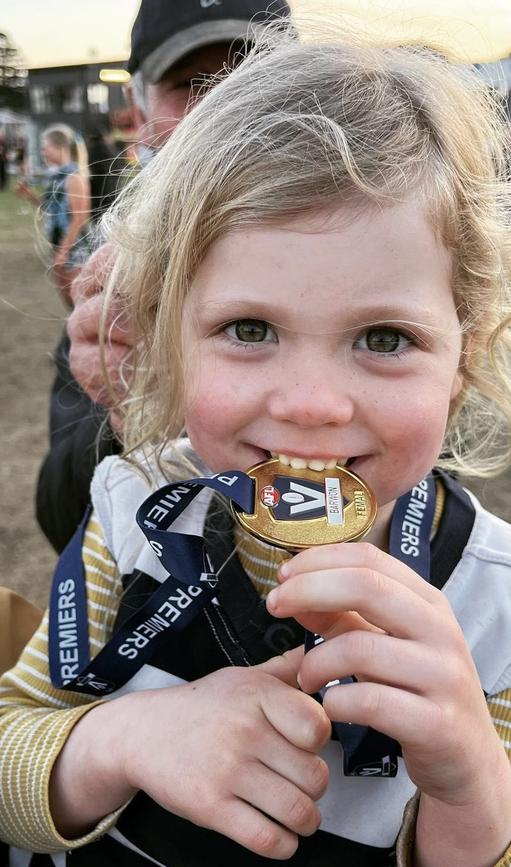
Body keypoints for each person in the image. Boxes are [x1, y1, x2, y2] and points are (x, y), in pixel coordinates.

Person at [0, 31, 511, 866]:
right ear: (173, 341)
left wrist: (471, 787)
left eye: (385, 337)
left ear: (464, 362)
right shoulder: (134, 512)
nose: (313, 406)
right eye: (249, 329)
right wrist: (116, 739)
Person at [35, 0, 291, 553]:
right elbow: (60, 515)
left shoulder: (377, 253)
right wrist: (133, 418)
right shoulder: (118, 276)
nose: (227, 107)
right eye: (195, 82)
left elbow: (429, 479)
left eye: (257, 76)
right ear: (137, 103)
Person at [14, 124, 95, 446]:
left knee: (80, 305)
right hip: (60, 248)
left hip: (75, 251)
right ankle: (76, 351)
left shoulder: (75, 175)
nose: (43, 151)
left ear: (58, 146)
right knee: (69, 306)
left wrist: (63, 251)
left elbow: (80, 217)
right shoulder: (56, 175)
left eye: (46, 146)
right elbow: (52, 212)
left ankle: (84, 355)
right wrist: (31, 196)